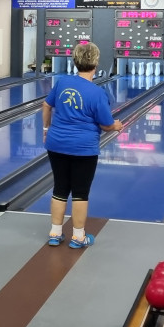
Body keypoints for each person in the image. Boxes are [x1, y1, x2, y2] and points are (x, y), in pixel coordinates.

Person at [41, 41, 122, 249]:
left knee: (60, 187)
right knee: (80, 192)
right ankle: (78, 237)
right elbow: (106, 125)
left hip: (56, 144)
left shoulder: (62, 83)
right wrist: (117, 125)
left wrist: (46, 129)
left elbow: (46, 105)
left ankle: (55, 233)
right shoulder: (97, 93)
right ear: (96, 63)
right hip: (83, 149)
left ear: (75, 61)